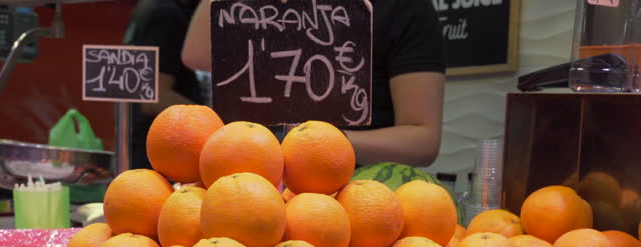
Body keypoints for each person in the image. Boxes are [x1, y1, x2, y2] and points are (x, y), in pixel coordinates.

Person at [180, 0, 446, 167]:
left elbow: (422, 140)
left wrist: (321, 144)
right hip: (251, 183)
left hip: (360, 195)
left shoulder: (405, 7)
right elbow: (196, 53)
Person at [124, 0, 206, 169]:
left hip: (149, 144)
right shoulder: (167, 16)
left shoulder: (148, 7)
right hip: (168, 147)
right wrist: (209, 120)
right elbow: (155, 97)